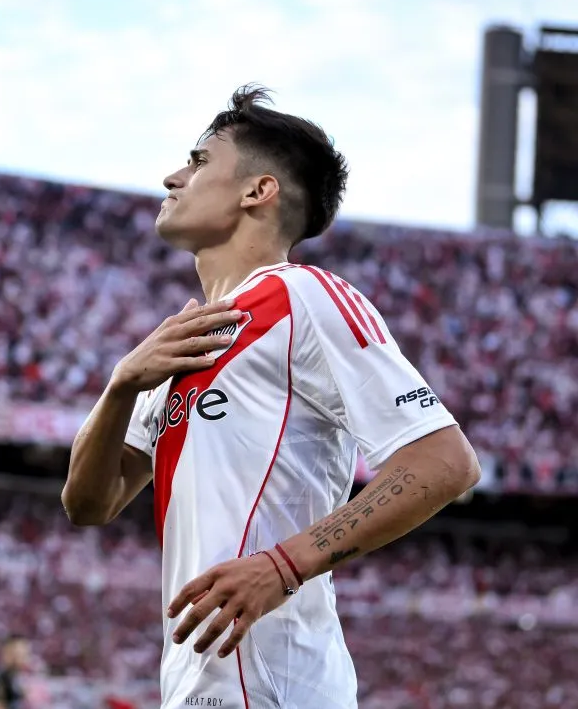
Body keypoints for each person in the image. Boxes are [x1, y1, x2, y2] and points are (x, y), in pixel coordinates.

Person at [61, 86, 481, 708]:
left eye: (200, 161)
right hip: (200, 684)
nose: (173, 176)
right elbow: (89, 503)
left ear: (258, 191)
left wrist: (282, 566)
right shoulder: (182, 341)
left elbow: (445, 464)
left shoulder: (304, 296)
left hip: (280, 685)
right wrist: (123, 383)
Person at [0, 635, 30, 709]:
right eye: (16, 654)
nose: (20, 657)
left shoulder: (17, 676)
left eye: (23, 654)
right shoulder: (2, 677)